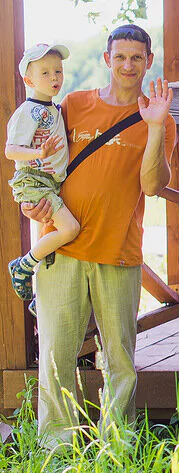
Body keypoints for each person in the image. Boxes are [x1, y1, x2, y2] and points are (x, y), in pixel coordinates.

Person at [24, 24, 175, 446]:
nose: (128, 65)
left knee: (120, 358)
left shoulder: (159, 117)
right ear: (107, 59)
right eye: (120, 56)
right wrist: (31, 201)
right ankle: (55, 446)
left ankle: (117, 444)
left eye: (137, 57)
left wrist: (156, 126)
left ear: (148, 61)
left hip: (119, 251)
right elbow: (40, 161)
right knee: (56, 355)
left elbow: (152, 185)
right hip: (62, 247)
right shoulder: (73, 104)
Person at [6, 44, 79, 303]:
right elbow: (10, 150)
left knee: (51, 235)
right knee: (70, 229)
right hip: (34, 180)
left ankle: (43, 297)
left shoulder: (53, 108)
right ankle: (23, 266)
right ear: (29, 81)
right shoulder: (29, 111)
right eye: (45, 73)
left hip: (50, 182)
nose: (54, 77)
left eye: (58, 71)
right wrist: (39, 152)